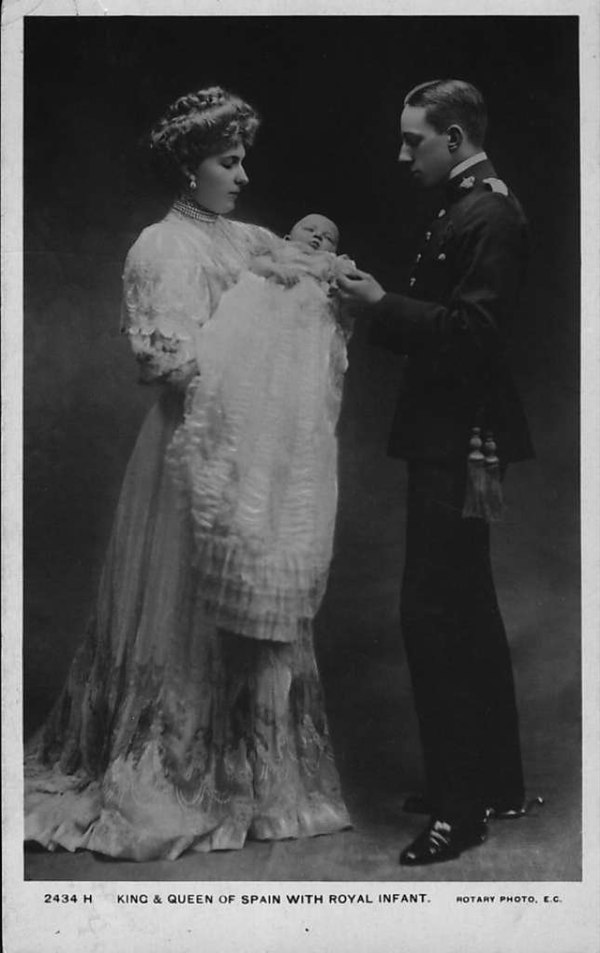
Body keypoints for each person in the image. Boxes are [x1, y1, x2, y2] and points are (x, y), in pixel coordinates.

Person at [24, 87, 351, 862]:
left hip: (261, 452)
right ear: (188, 164)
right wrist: (248, 350)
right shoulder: (160, 247)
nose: (241, 175)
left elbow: (314, 307)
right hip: (191, 450)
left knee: (255, 597)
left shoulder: (253, 238)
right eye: (225, 161)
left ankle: (257, 772)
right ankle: (170, 765)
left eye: (243, 160)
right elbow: (163, 360)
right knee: (186, 607)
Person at [338, 79, 539, 866]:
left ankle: (463, 811)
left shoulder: (489, 211)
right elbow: (447, 325)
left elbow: (473, 333)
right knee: (468, 611)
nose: (401, 153)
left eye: (413, 139)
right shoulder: (472, 205)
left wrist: (380, 303)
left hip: (460, 441)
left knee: (435, 618)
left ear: (454, 138)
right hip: (446, 435)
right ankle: (493, 783)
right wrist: (372, 304)